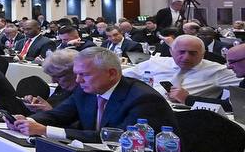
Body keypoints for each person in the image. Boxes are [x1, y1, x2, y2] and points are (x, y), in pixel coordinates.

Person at [12, 47, 174, 143]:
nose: (78, 80)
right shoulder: (86, 91)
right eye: (77, 74)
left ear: (111, 73)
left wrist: (45, 130)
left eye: (84, 75)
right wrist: (26, 121)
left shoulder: (143, 99)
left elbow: (115, 138)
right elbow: (57, 115)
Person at [124, 34, 237, 104]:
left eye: (193, 53)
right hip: (147, 108)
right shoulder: (156, 62)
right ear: (171, 51)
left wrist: (189, 98)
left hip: (188, 116)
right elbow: (120, 76)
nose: (186, 57)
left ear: (203, 54)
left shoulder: (216, 71)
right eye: (181, 52)